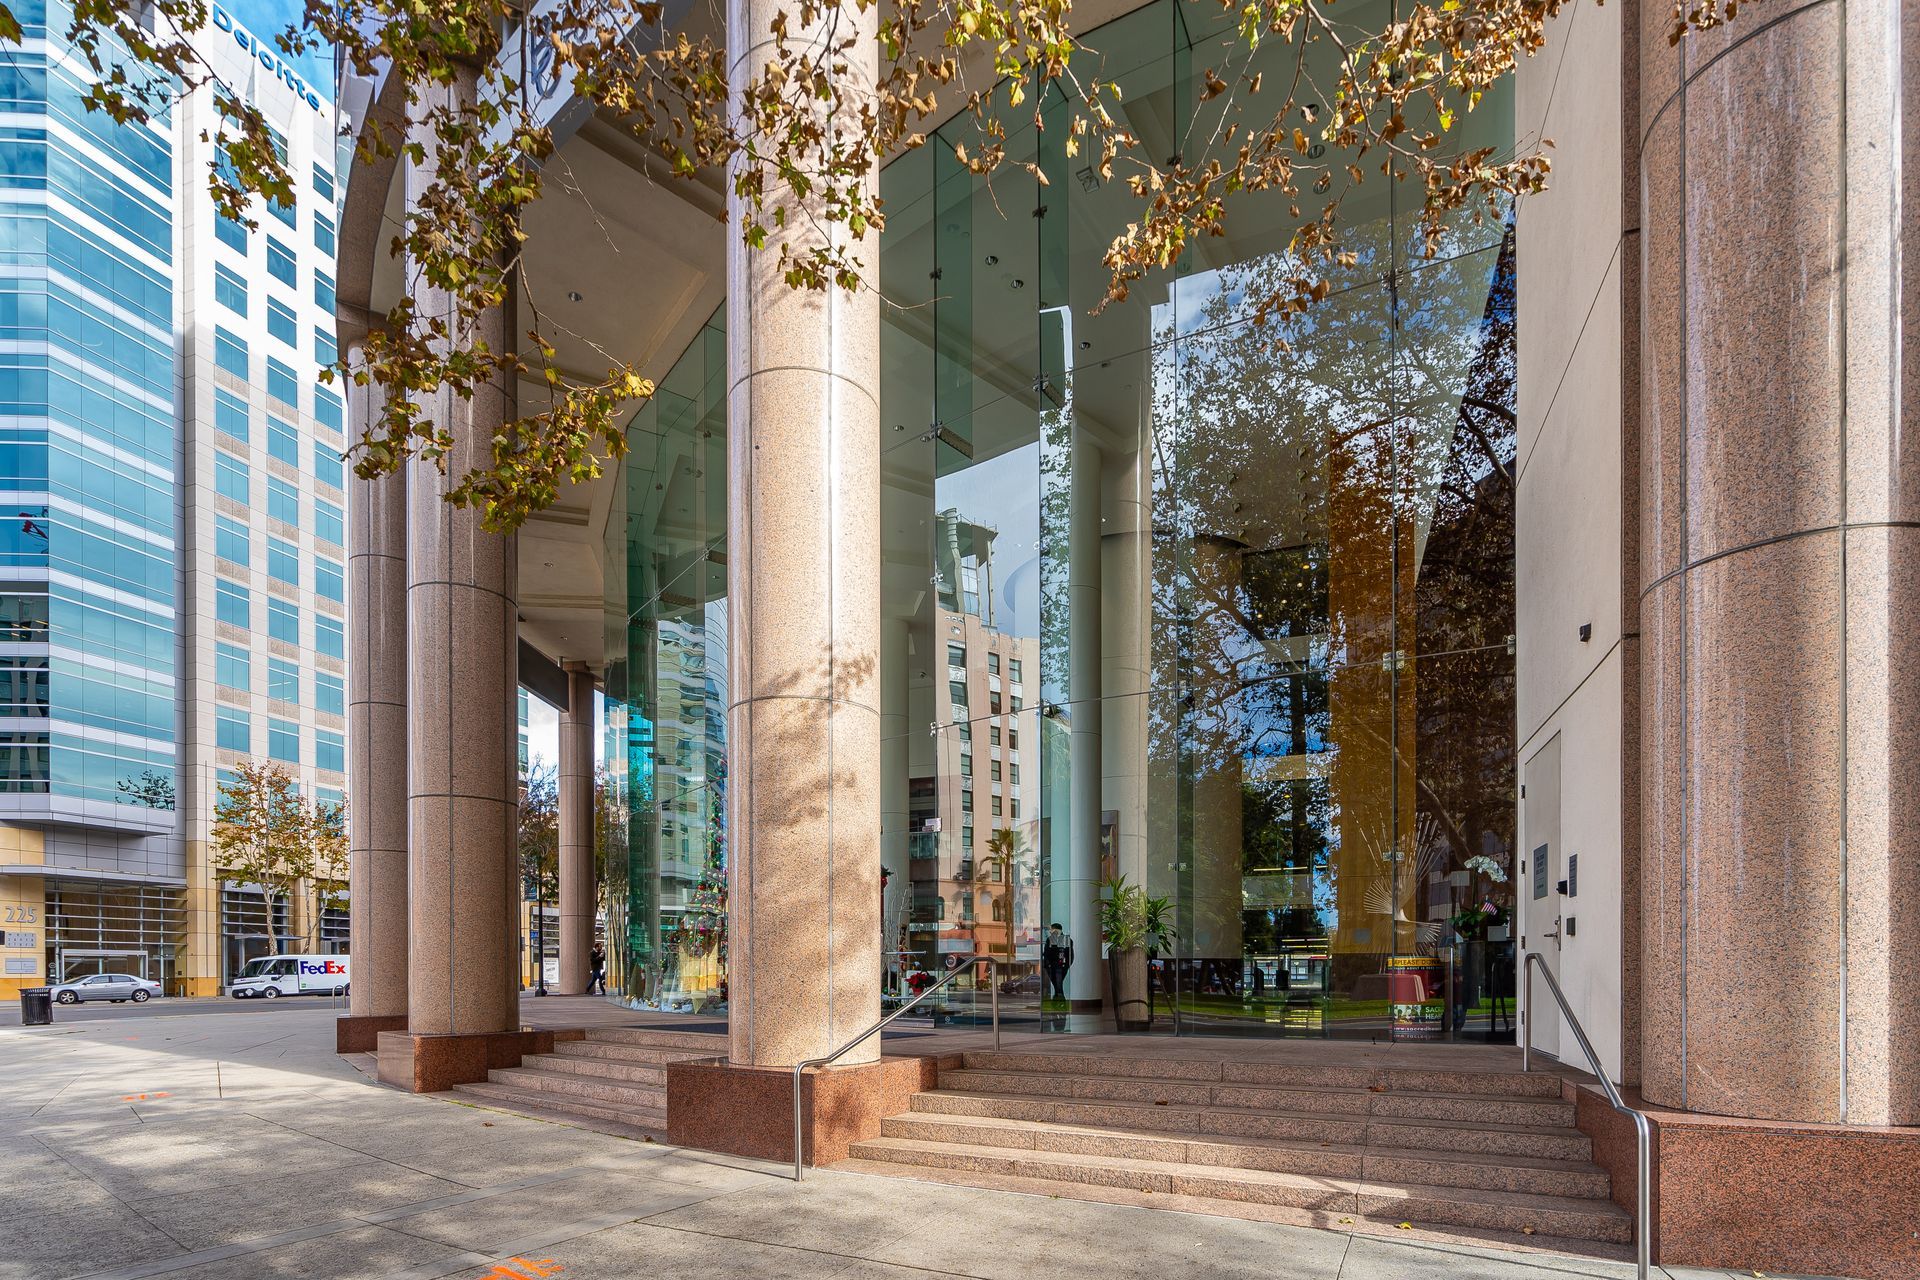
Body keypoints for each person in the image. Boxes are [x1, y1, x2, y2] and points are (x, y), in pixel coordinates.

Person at [1042, 922, 1073, 1001]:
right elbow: (1047, 953)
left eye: (1051, 930)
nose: (1050, 931)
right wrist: (1047, 964)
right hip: (1051, 966)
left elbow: (1069, 953)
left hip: (1060, 966)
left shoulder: (1066, 939)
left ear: (1056, 930)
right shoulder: (1050, 939)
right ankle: (1058, 999)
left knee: (1058, 984)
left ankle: (1059, 999)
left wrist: (1067, 964)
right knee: (1057, 984)